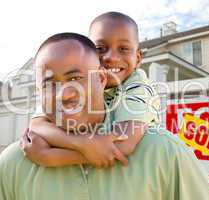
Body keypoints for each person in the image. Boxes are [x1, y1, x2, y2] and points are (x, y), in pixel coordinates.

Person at [0, 33, 209, 200]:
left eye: (76, 77)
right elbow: (38, 122)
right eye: (49, 85)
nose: (64, 94)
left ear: (102, 79)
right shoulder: (13, 164)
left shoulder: (163, 152)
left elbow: (120, 145)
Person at [26, 12, 160, 168]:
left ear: (138, 58)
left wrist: (49, 157)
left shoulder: (138, 87)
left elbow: (123, 144)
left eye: (123, 48)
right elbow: (37, 125)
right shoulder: (83, 84)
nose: (111, 57)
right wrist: (80, 143)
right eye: (100, 48)